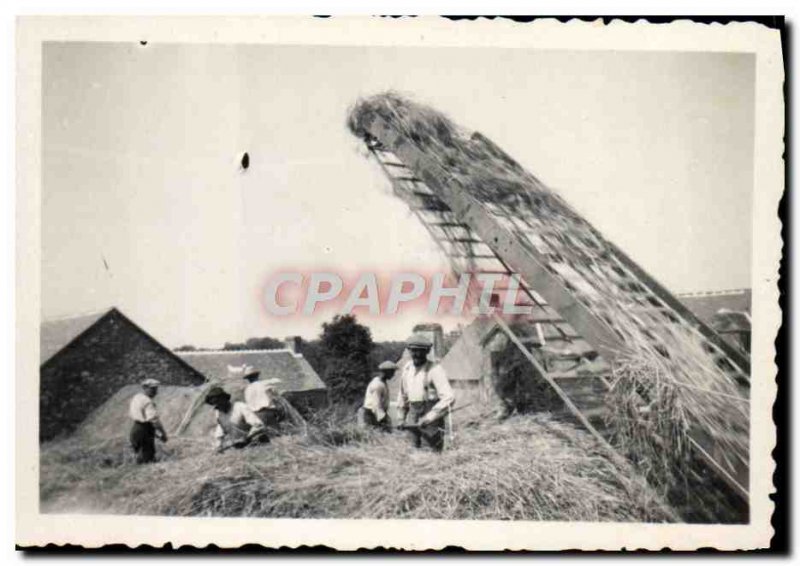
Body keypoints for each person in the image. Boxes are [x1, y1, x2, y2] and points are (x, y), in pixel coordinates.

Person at [396, 333, 455, 452]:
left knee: (429, 454)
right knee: (412, 450)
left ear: (427, 351)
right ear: (409, 351)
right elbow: (403, 395)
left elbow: (449, 397)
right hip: (412, 415)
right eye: (413, 350)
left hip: (431, 419)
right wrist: (401, 418)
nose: (416, 354)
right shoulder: (407, 369)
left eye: (420, 351)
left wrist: (429, 417)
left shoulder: (435, 370)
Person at [204, 385, 269, 452]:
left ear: (224, 399)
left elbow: (258, 425)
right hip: (240, 446)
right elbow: (220, 431)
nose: (217, 405)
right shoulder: (219, 414)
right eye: (214, 403)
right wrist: (218, 446)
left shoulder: (240, 407)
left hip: (256, 442)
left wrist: (246, 437)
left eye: (218, 401)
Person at [128, 378, 168, 464]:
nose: (155, 392)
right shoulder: (148, 402)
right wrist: (163, 434)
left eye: (156, 389)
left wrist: (156, 435)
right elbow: (154, 421)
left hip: (135, 429)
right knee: (148, 459)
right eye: (152, 389)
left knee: (136, 456)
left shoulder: (137, 397)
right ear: (145, 388)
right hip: (144, 431)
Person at [360, 360, 397, 431]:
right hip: (370, 414)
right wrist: (384, 418)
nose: (393, 374)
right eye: (392, 372)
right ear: (386, 372)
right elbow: (376, 405)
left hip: (376, 413)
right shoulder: (377, 385)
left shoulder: (383, 383)